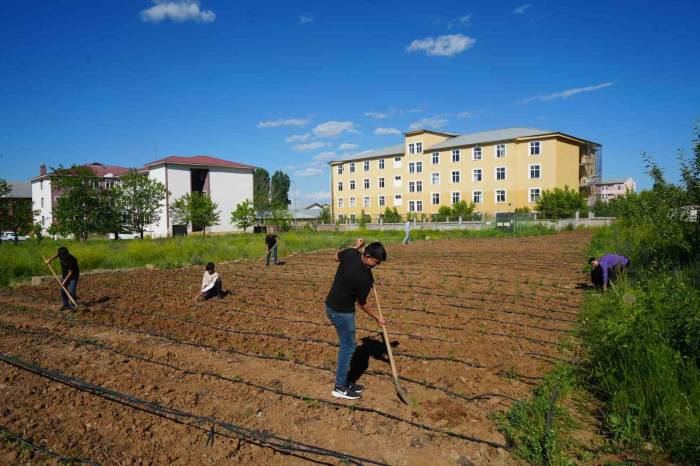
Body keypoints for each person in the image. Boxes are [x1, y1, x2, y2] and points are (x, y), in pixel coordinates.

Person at [325, 238, 387, 400]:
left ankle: (345, 381)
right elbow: (362, 304)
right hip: (341, 312)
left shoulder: (351, 253)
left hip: (331, 306)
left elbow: (335, 257)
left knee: (349, 344)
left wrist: (355, 247)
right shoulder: (364, 278)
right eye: (376, 261)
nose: (377, 265)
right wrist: (377, 318)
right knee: (348, 347)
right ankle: (339, 387)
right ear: (367, 256)